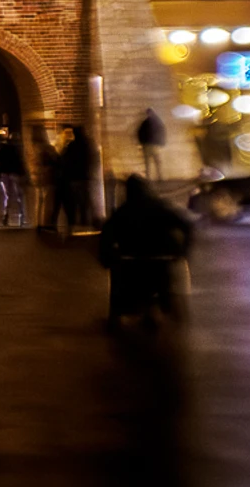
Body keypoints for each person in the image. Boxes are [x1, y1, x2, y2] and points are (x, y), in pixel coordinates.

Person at [97, 174, 191, 327]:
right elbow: (186, 225)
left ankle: (115, 316)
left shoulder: (123, 212)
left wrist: (105, 258)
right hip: (163, 259)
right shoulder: (161, 207)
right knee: (178, 272)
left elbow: (106, 236)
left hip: (133, 261)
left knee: (117, 271)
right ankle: (175, 308)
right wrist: (183, 250)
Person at [57, 125, 101, 236]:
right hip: (86, 177)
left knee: (73, 203)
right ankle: (85, 225)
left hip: (74, 178)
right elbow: (95, 159)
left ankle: (75, 226)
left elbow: (64, 160)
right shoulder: (89, 144)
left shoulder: (72, 146)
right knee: (85, 203)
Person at [0, 128, 28, 228]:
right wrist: (24, 174)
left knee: (8, 196)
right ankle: (22, 217)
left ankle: (6, 215)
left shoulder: (3, 148)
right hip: (15, 173)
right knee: (19, 196)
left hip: (5, 173)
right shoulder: (19, 149)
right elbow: (21, 162)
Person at [137, 108, 167, 180]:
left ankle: (150, 178)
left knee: (149, 163)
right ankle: (159, 177)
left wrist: (142, 142)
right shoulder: (158, 122)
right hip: (153, 145)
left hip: (148, 145)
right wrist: (162, 142)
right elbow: (162, 132)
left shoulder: (145, 123)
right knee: (156, 162)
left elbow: (140, 133)